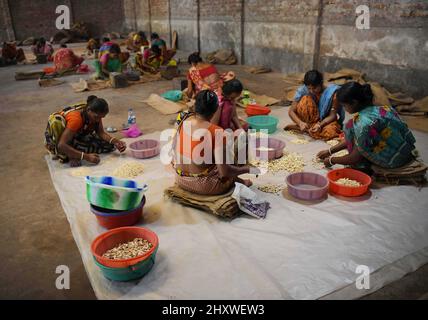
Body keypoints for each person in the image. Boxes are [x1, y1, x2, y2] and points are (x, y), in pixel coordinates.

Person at [317, 82, 416, 171]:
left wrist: (331, 160)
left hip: (394, 161)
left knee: (350, 127)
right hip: (406, 151)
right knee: (352, 127)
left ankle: (367, 166)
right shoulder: (384, 109)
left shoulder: (362, 124)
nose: (344, 109)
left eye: (344, 105)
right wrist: (330, 151)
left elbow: (354, 158)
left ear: (354, 102)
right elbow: (355, 139)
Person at [172, 90, 256, 195]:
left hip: (180, 179)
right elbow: (224, 173)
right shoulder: (217, 132)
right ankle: (238, 181)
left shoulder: (182, 117)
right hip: (205, 186)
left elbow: (174, 146)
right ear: (216, 109)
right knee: (237, 144)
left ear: (195, 105)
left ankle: (239, 181)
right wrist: (248, 169)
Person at [44, 95, 126, 167]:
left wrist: (115, 141)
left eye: (101, 117)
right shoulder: (76, 119)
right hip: (61, 139)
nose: (98, 120)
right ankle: (66, 154)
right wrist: (86, 157)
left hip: (75, 134)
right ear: (89, 110)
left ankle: (74, 151)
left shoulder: (95, 115)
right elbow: (61, 145)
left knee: (109, 146)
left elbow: (101, 133)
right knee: (67, 150)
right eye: (96, 117)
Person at [285, 70, 344, 140]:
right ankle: (307, 127)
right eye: (309, 88)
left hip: (325, 121)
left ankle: (306, 129)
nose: (311, 91)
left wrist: (319, 125)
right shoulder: (303, 90)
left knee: (331, 131)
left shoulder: (332, 93)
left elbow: (333, 115)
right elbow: (291, 111)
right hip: (308, 120)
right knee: (305, 100)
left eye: (314, 88)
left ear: (321, 83)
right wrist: (300, 123)